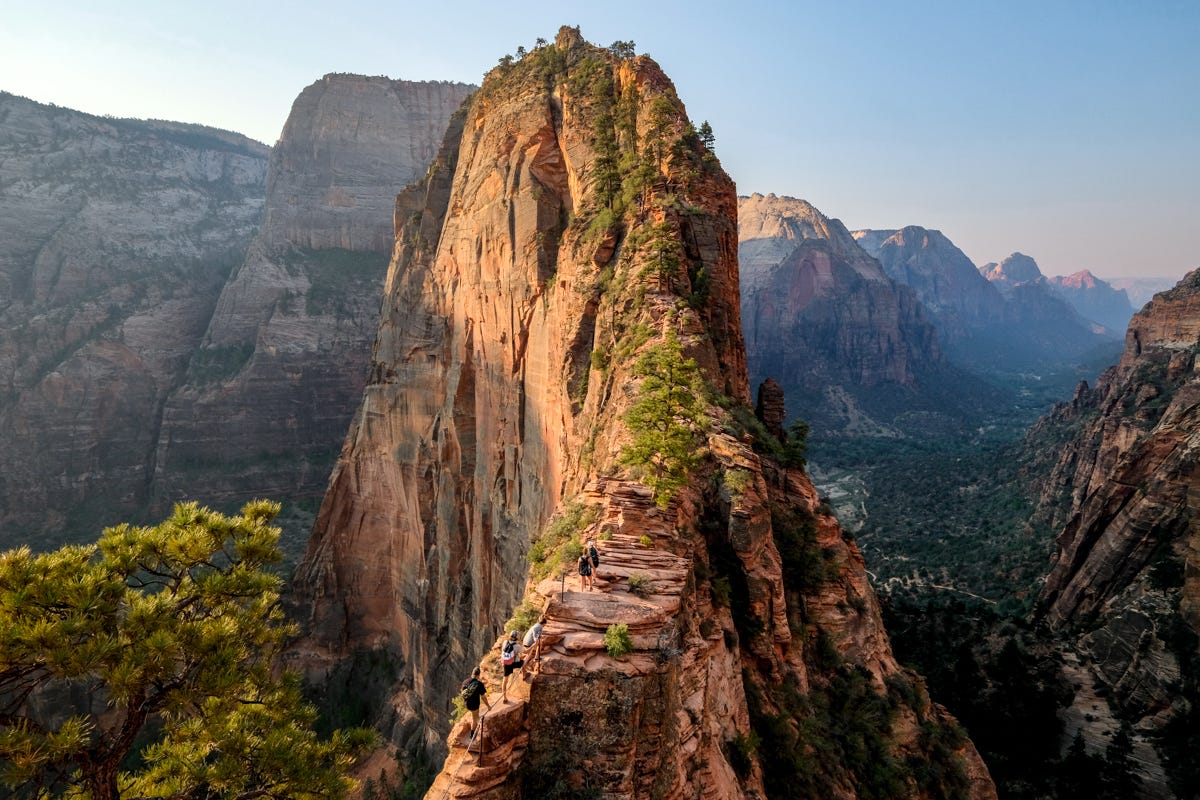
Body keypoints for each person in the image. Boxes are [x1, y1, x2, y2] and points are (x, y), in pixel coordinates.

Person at [459, 666, 491, 742]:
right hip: (474, 705)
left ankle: (476, 723)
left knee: (475, 716)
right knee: (475, 719)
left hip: (467, 704)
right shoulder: (479, 684)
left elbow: (462, 693)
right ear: (478, 675)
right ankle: (472, 735)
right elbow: (483, 697)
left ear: (472, 674)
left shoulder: (465, 681)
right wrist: (488, 706)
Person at [499, 630, 524, 702]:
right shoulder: (517, 646)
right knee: (524, 662)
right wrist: (533, 646)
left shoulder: (505, 642)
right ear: (517, 638)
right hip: (513, 663)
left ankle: (504, 697)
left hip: (505, 663)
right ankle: (525, 674)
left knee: (505, 679)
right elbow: (524, 652)